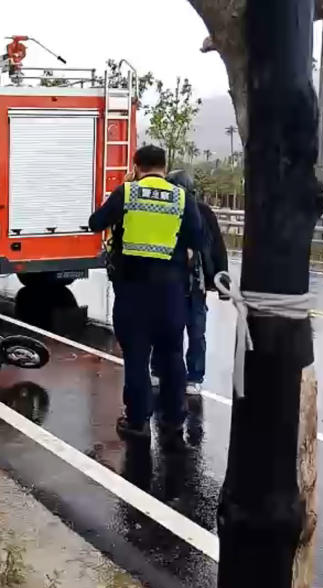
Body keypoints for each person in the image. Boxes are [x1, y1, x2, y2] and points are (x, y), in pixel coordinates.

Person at [88, 145, 203, 445]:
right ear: (165, 167)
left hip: (133, 293)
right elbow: (198, 236)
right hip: (170, 294)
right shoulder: (181, 197)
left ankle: (137, 421)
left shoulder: (127, 193)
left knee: (137, 359)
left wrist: (123, 188)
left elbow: (95, 223)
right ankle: (174, 420)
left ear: (136, 166)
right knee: (173, 356)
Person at [151, 170, 229, 402]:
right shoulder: (164, 211)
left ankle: (194, 376)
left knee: (195, 331)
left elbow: (217, 248)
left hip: (195, 284)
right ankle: (158, 369)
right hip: (170, 280)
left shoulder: (203, 212)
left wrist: (222, 282)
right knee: (166, 328)